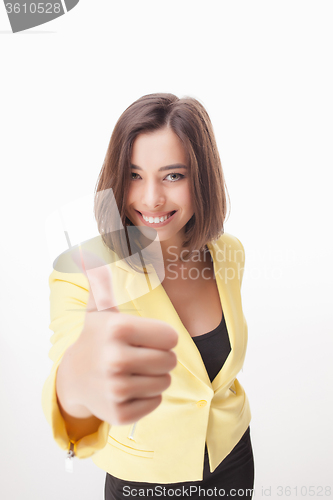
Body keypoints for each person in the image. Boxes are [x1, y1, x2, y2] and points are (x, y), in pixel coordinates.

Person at [42, 93, 254, 499]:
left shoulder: (228, 252)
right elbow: (68, 378)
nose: (152, 198)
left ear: (202, 178)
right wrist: (77, 384)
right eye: (135, 175)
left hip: (232, 457)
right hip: (144, 481)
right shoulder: (83, 271)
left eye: (173, 176)